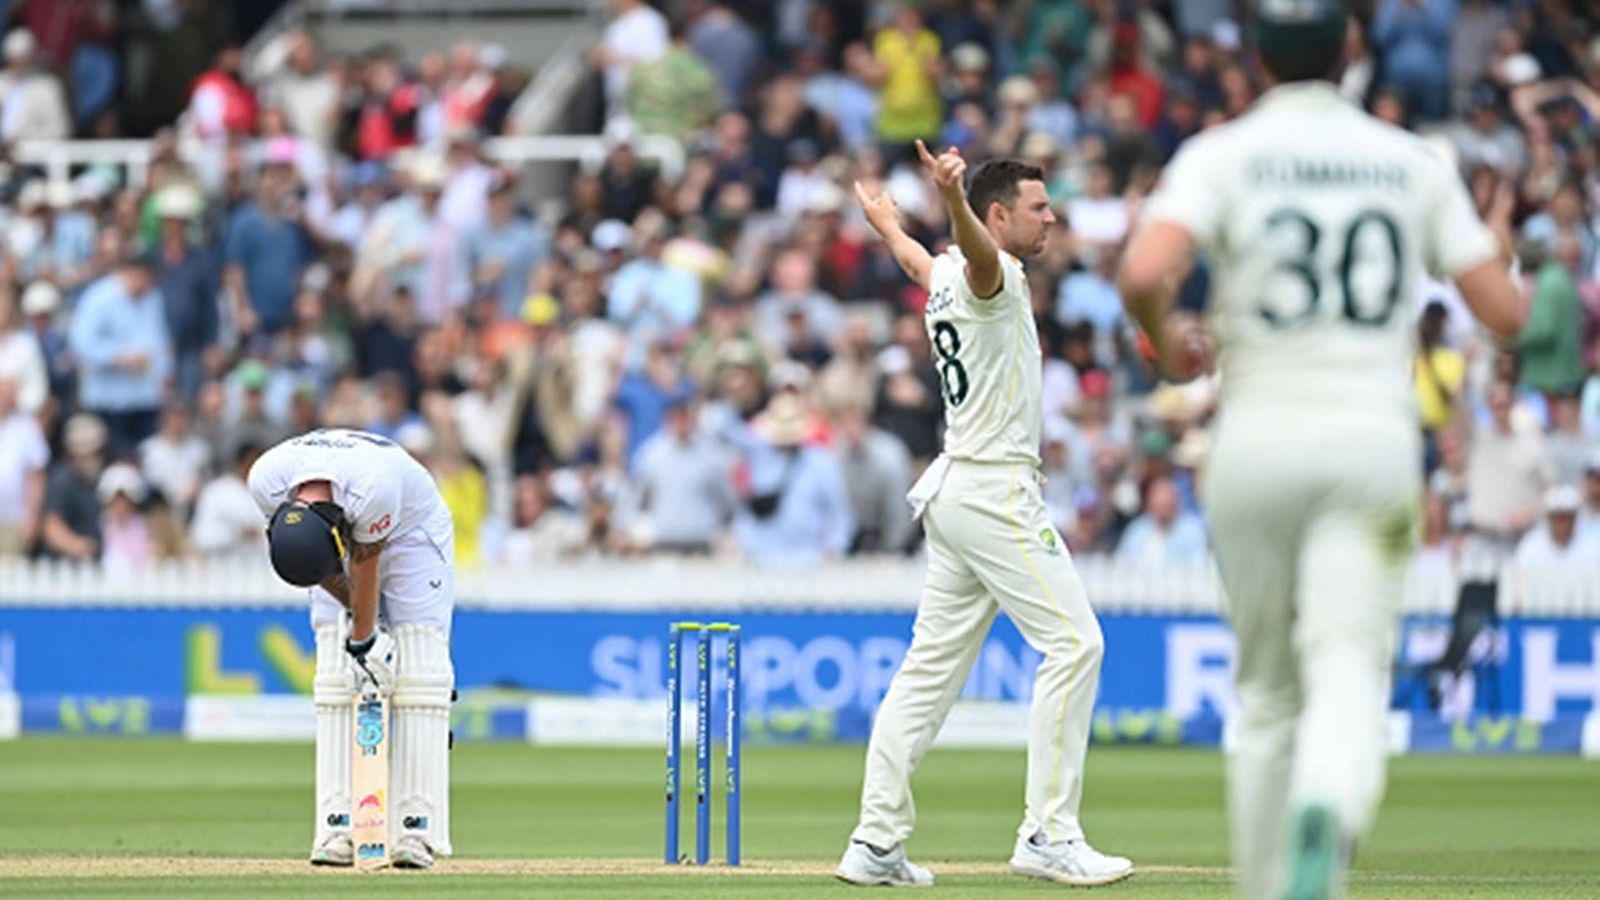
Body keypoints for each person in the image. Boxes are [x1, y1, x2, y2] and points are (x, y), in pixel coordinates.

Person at [1117, 2, 1527, 898]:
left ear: (1254, 55)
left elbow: (1145, 273)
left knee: (1266, 694)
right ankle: (1330, 802)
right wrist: (1497, 248)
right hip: (1372, 442)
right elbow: (1504, 313)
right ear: (1351, 47)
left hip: (1256, 439)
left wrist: (1168, 336)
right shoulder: (1409, 159)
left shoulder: (1219, 153)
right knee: (1348, 663)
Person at [838, 143, 1130, 887]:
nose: (1052, 216)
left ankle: (874, 842)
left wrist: (885, 226)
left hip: (956, 493)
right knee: (1076, 645)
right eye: (1038, 207)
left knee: (927, 673)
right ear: (998, 215)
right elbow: (974, 255)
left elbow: (914, 262)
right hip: (996, 492)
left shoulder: (941, 276)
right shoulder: (991, 271)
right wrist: (954, 199)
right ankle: (1047, 833)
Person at [248, 428, 456, 869]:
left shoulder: (371, 490)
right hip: (343, 532)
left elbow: (364, 559)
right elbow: (319, 569)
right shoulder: (265, 479)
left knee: (420, 670)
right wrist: (361, 643)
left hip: (412, 533)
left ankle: (416, 830)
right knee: (334, 669)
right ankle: (336, 826)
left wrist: (368, 640)